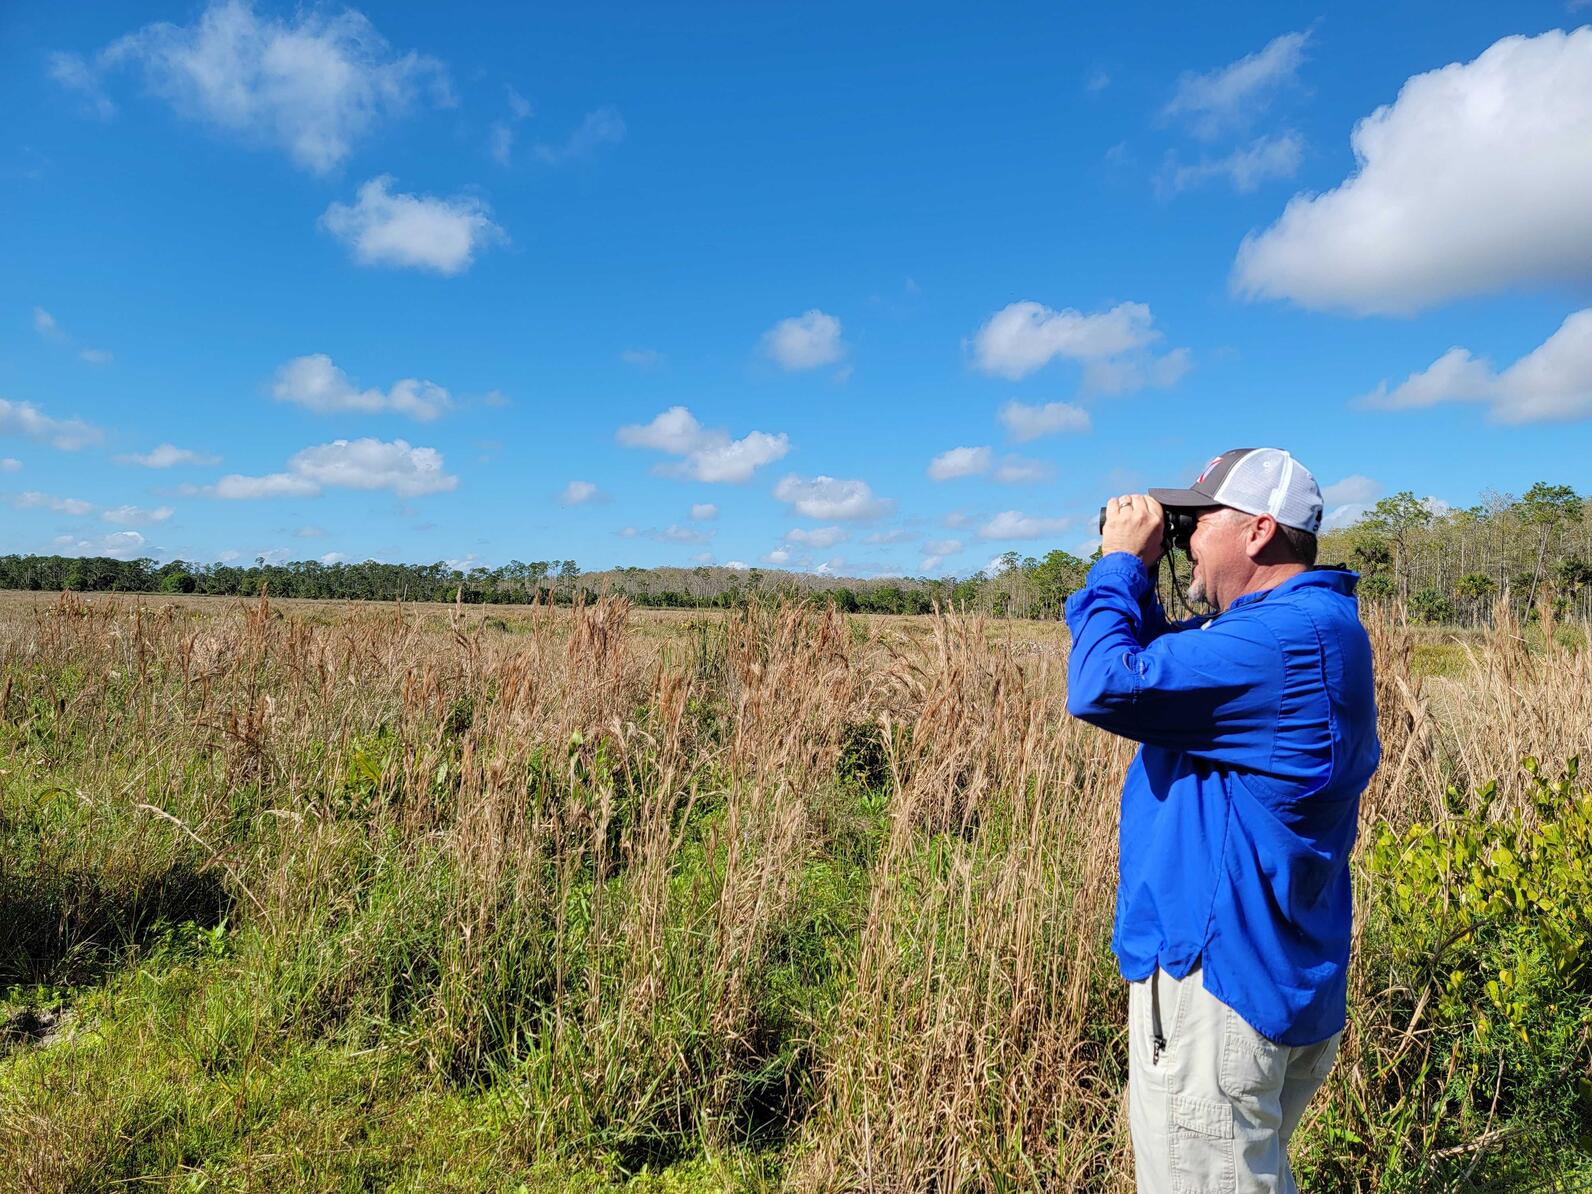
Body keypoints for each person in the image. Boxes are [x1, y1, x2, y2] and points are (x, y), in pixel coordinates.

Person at [1063, 447, 1381, 1192]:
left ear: (1259, 531)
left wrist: (1117, 566)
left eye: (1198, 521)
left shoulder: (1278, 639)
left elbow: (1106, 683)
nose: (1185, 539)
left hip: (1219, 983)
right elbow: (1164, 675)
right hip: (1275, 972)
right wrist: (1139, 583)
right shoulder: (1307, 626)